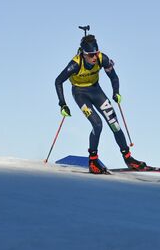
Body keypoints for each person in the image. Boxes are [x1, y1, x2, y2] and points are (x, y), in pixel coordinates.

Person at [55, 34, 146, 174]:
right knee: (97, 125)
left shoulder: (102, 59)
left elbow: (113, 76)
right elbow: (58, 81)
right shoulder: (75, 64)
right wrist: (63, 104)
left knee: (114, 123)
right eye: (91, 55)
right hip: (80, 94)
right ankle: (93, 160)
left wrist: (116, 92)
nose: (94, 57)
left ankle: (128, 158)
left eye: (96, 53)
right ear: (84, 54)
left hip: (96, 91)